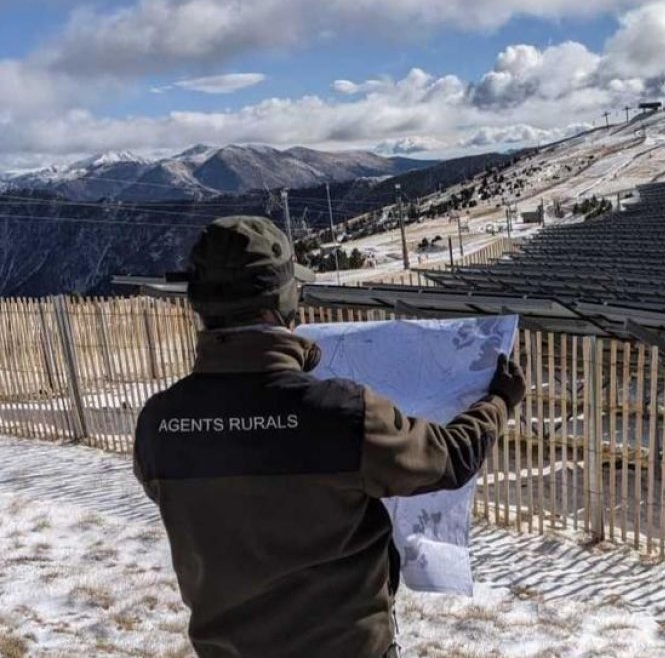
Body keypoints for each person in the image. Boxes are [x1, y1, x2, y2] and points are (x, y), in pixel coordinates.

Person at [133, 216, 526, 657]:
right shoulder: (342, 415)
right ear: (283, 302)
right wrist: (499, 401)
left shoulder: (158, 424)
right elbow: (450, 460)